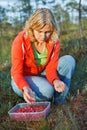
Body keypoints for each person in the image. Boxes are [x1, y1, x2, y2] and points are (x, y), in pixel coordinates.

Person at [11, 8, 76, 105]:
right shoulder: (20, 41)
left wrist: (55, 81)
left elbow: (51, 68)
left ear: (53, 29)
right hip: (22, 77)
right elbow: (17, 73)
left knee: (68, 61)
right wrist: (25, 87)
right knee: (48, 91)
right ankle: (43, 96)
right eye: (39, 31)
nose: (43, 36)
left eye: (47, 32)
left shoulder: (54, 41)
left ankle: (59, 101)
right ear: (32, 28)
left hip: (42, 73)